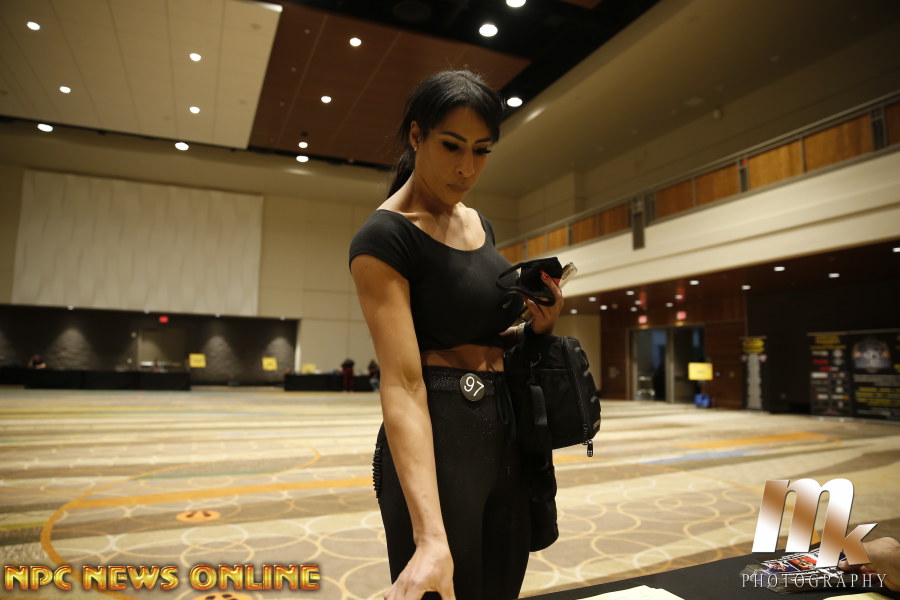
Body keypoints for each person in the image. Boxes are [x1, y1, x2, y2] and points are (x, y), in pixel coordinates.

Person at [349, 70, 564, 600]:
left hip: (505, 428)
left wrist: (536, 324)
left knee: (501, 588)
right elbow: (403, 384)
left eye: (481, 150)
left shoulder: (479, 224)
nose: (467, 167)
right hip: (440, 435)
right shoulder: (385, 236)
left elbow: (481, 334)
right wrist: (428, 536)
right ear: (416, 135)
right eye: (451, 145)